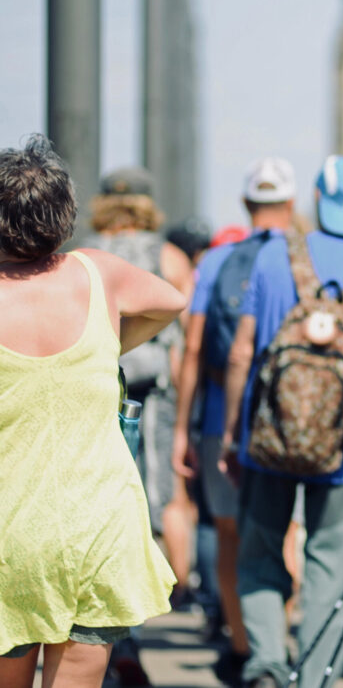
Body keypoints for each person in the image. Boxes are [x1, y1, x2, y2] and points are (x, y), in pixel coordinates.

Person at [0, 137, 185, 688]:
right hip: (97, 529)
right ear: (65, 216)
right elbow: (171, 302)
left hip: (11, 532)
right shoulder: (99, 273)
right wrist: (107, 345)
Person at [221, 155, 343, 688]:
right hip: (341, 451)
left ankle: (267, 664)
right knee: (332, 563)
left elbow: (241, 353)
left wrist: (233, 433)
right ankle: (317, 674)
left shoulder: (276, 258)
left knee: (260, 552)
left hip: (268, 438)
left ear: (316, 200)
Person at [172, 157, 297, 686]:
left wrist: (183, 426)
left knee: (227, 533)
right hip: (290, 415)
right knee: (283, 527)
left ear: (247, 206)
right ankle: (280, 637)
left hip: (223, 408)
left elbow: (196, 343)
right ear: (290, 205)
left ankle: (244, 646)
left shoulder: (219, 260)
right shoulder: (300, 258)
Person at [81, 166, 195, 605]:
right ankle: (180, 584)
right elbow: (186, 339)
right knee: (165, 489)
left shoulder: (86, 256)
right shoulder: (170, 258)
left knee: (108, 483)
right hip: (157, 386)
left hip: (102, 384)